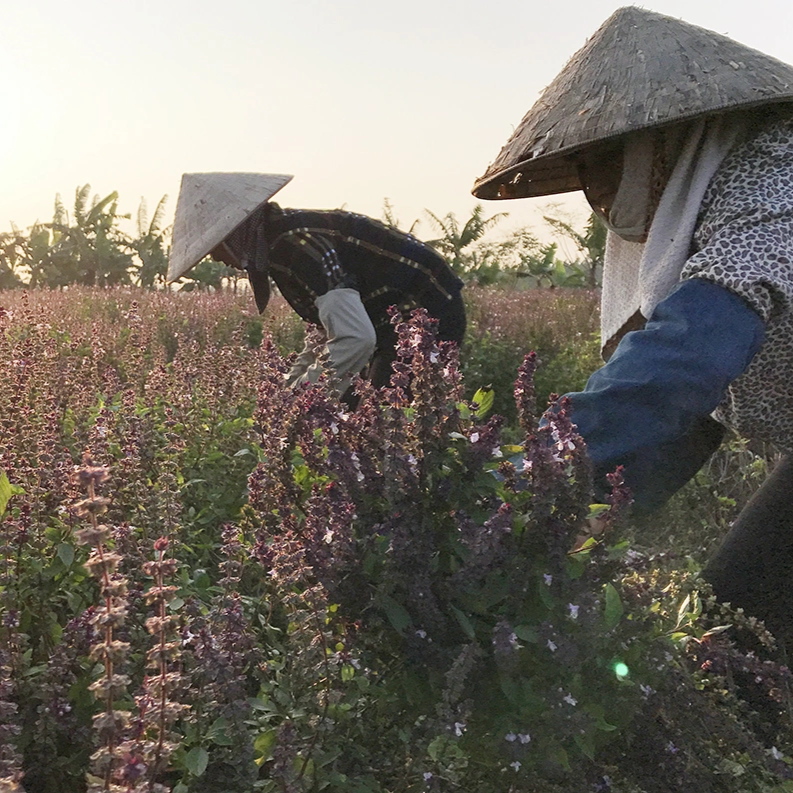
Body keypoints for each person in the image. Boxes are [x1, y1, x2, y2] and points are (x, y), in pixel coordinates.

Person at [472, 7, 793, 638]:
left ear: (661, 142)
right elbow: (695, 415)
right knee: (741, 627)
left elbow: (691, 355)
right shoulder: (712, 194)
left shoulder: (778, 174)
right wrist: (587, 511)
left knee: (739, 632)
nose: (596, 198)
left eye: (602, 167)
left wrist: (522, 482)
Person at [168, 173, 466, 399]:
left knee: (383, 421)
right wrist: (287, 393)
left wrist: (301, 400)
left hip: (426, 313)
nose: (218, 259)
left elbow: (355, 339)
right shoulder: (279, 244)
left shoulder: (297, 246)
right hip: (386, 320)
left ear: (236, 234)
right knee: (345, 412)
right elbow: (329, 335)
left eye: (215, 248)